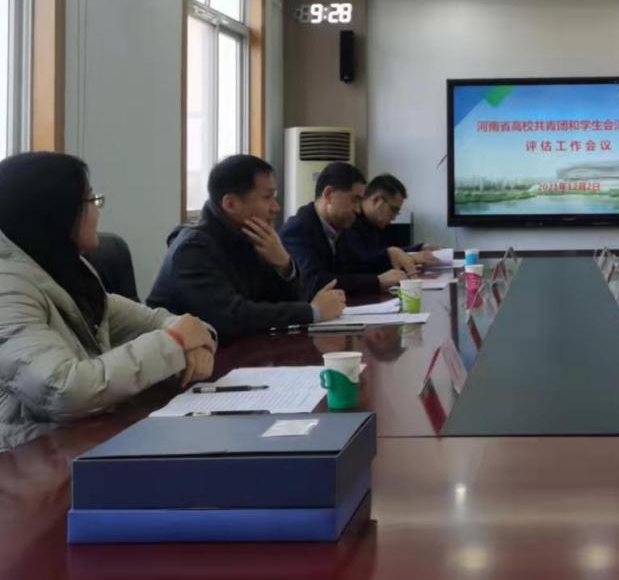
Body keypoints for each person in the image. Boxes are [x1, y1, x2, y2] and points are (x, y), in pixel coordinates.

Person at [0, 153, 215, 423]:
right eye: (91, 200)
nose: (97, 210)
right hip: (25, 445)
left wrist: (197, 343)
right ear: (58, 212)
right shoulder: (7, 289)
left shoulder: (70, 274)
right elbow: (64, 390)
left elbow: (173, 324)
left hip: (80, 434)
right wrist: (177, 342)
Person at [148, 155, 346, 342]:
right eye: (267, 197)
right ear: (231, 204)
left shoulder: (249, 237)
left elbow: (282, 303)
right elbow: (231, 318)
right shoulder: (192, 249)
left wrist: (284, 266)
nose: (276, 207)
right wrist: (313, 312)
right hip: (183, 360)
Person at [280, 162, 408, 300]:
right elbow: (313, 283)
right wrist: (377, 281)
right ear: (329, 195)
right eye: (354, 200)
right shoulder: (298, 229)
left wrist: (390, 260)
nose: (358, 209)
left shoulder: (339, 228)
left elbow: (354, 266)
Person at [341, 174, 440, 274]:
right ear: (376, 200)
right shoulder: (350, 219)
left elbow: (383, 252)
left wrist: (419, 248)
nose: (394, 218)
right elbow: (361, 261)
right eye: (393, 210)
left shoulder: (374, 223)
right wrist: (411, 257)